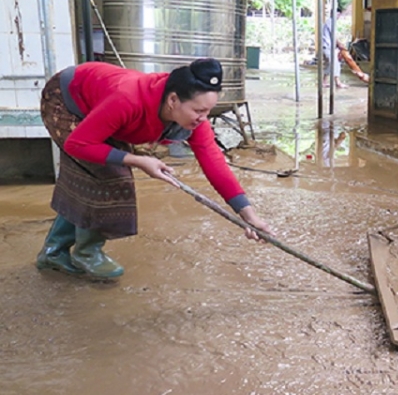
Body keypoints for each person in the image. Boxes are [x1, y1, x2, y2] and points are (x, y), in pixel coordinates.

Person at [36, 58, 274, 279]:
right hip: (67, 99)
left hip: (99, 104)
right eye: (199, 111)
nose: (204, 118)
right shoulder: (129, 99)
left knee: (96, 172)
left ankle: (54, 251)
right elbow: (78, 144)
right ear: (172, 100)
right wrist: (138, 160)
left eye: (208, 111)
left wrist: (249, 216)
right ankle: (86, 252)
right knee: (110, 177)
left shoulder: (191, 113)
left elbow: (214, 163)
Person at [321, 6, 349, 89]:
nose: (339, 16)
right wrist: (339, 44)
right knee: (335, 63)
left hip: (328, 47)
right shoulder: (330, 22)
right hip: (327, 46)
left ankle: (324, 81)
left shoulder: (330, 22)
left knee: (330, 64)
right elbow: (333, 35)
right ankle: (338, 82)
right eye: (338, 14)